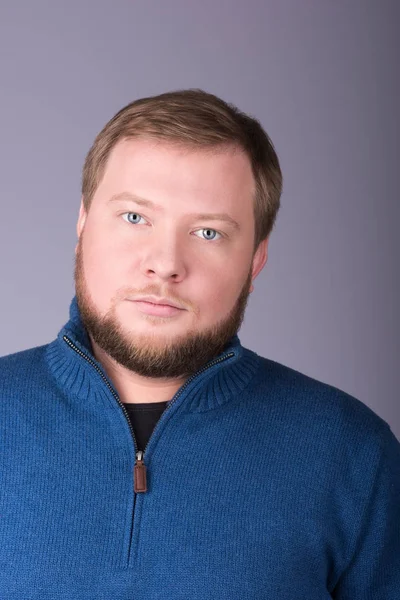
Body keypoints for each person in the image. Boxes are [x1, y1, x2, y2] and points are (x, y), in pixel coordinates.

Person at [1, 89, 399, 600]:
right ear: (82, 226)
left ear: (255, 261)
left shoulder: (354, 454)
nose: (165, 262)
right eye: (135, 218)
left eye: (208, 232)